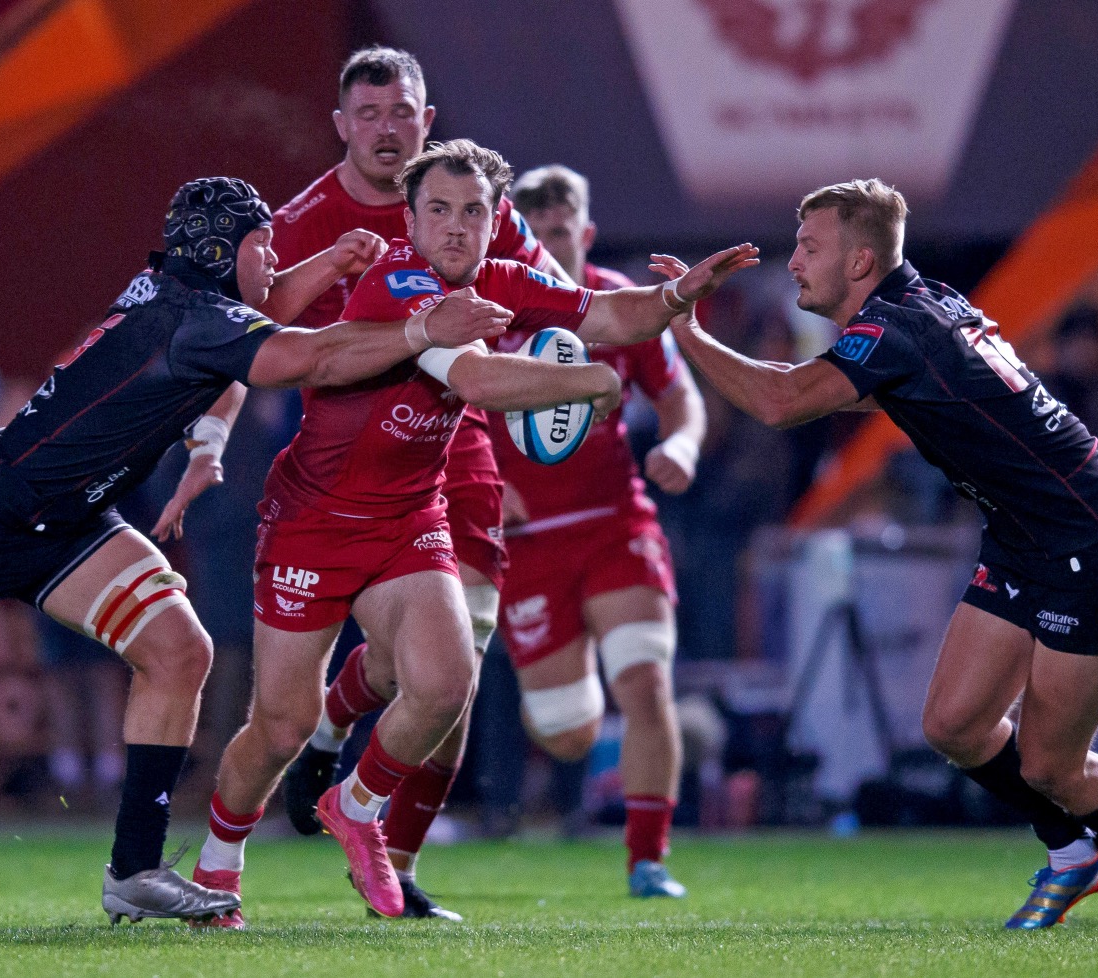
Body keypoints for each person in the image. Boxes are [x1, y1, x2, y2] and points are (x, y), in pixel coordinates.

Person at [0, 175, 512, 925]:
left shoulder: (175, 296)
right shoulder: (198, 318)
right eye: (264, 247)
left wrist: (326, 265)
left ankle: (134, 872)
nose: (274, 260)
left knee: (178, 649)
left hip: (64, 521)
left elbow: (257, 314)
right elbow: (309, 358)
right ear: (228, 251)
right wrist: (422, 331)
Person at [185, 138, 756, 925]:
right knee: (280, 724)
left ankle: (356, 806)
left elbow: (606, 312)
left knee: (448, 684)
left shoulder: (506, 280)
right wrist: (587, 380)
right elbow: (478, 377)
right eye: (438, 210)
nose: (455, 226)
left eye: (473, 212)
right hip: (314, 518)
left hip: (408, 517)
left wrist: (672, 301)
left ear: (497, 222)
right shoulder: (399, 279)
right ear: (411, 220)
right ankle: (217, 867)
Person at [660, 177, 1098, 931]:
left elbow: (780, 402)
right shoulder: (919, 308)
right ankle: (1072, 854)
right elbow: (856, 392)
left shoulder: (895, 329)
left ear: (860, 261)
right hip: (1027, 539)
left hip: (1096, 541)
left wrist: (683, 329)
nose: (793, 262)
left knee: (1051, 764)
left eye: (808, 247)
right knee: (954, 726)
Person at [250, 45, 573, 922]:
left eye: (404, 112)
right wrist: (205, 441)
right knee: (396, 666)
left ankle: (388, 856)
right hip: (336, 457)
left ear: (427, 119)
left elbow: (552, 294)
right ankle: (326, 727)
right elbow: (244, 326)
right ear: (342, 125)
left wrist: (573, 351)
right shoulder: (308, 217)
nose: (388, 129)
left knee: (455, 654)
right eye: (370, 113)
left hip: (451, 431)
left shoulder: (463, 197)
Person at [491, 164, 707, 897]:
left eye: (562, 232)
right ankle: (560, 727)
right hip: (526, 546)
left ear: (583, 233)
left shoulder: (620, 304)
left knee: (646, 684)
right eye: (535, 234)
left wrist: (678, 446)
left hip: (617, 522)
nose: (550, 247)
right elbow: (443, 418)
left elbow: (681, 401)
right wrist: (483, 485)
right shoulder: (488, 311)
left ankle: (647, 859)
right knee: (568, 732)